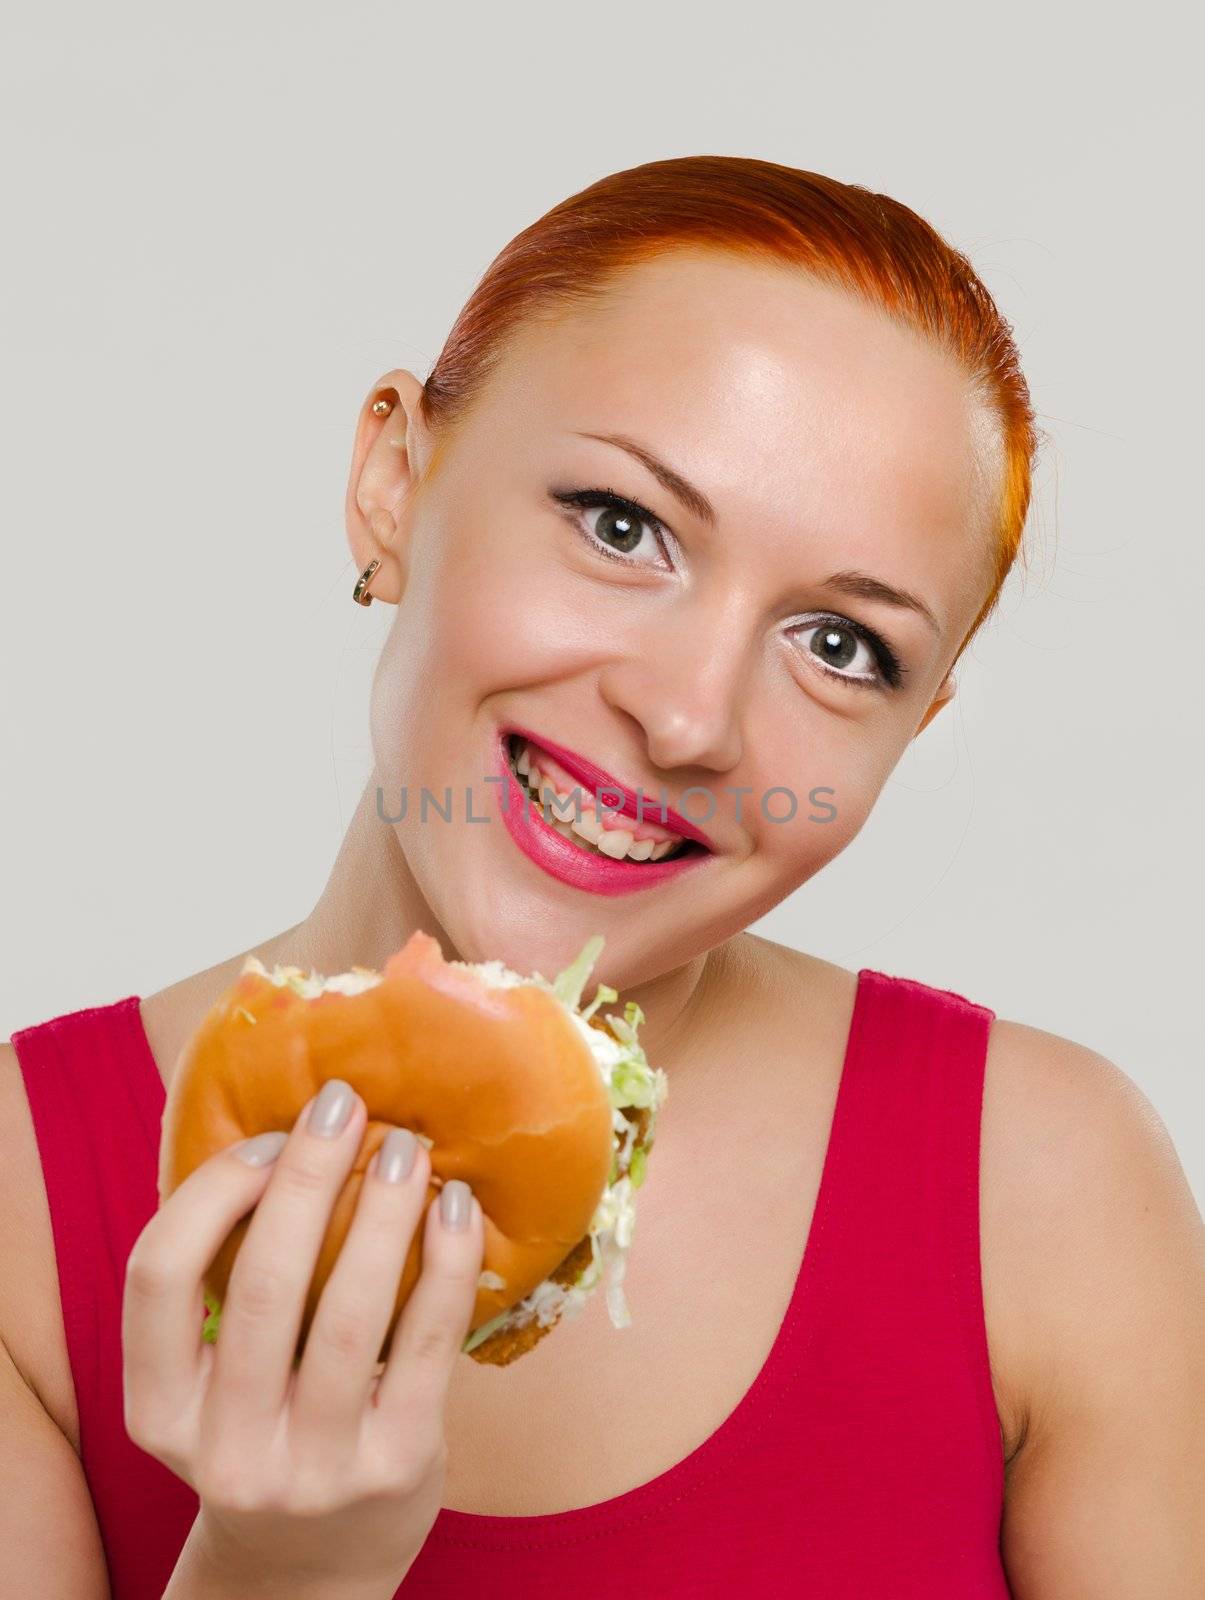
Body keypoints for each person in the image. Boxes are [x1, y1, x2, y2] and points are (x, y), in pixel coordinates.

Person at [2, 155, 1201, 1600]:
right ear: (395, 479)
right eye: (620, 525)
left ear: (916, 722)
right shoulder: (18, 1214)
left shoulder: (1048, 1188)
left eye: (841, 647)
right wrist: (278, 1574)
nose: (689, 718)